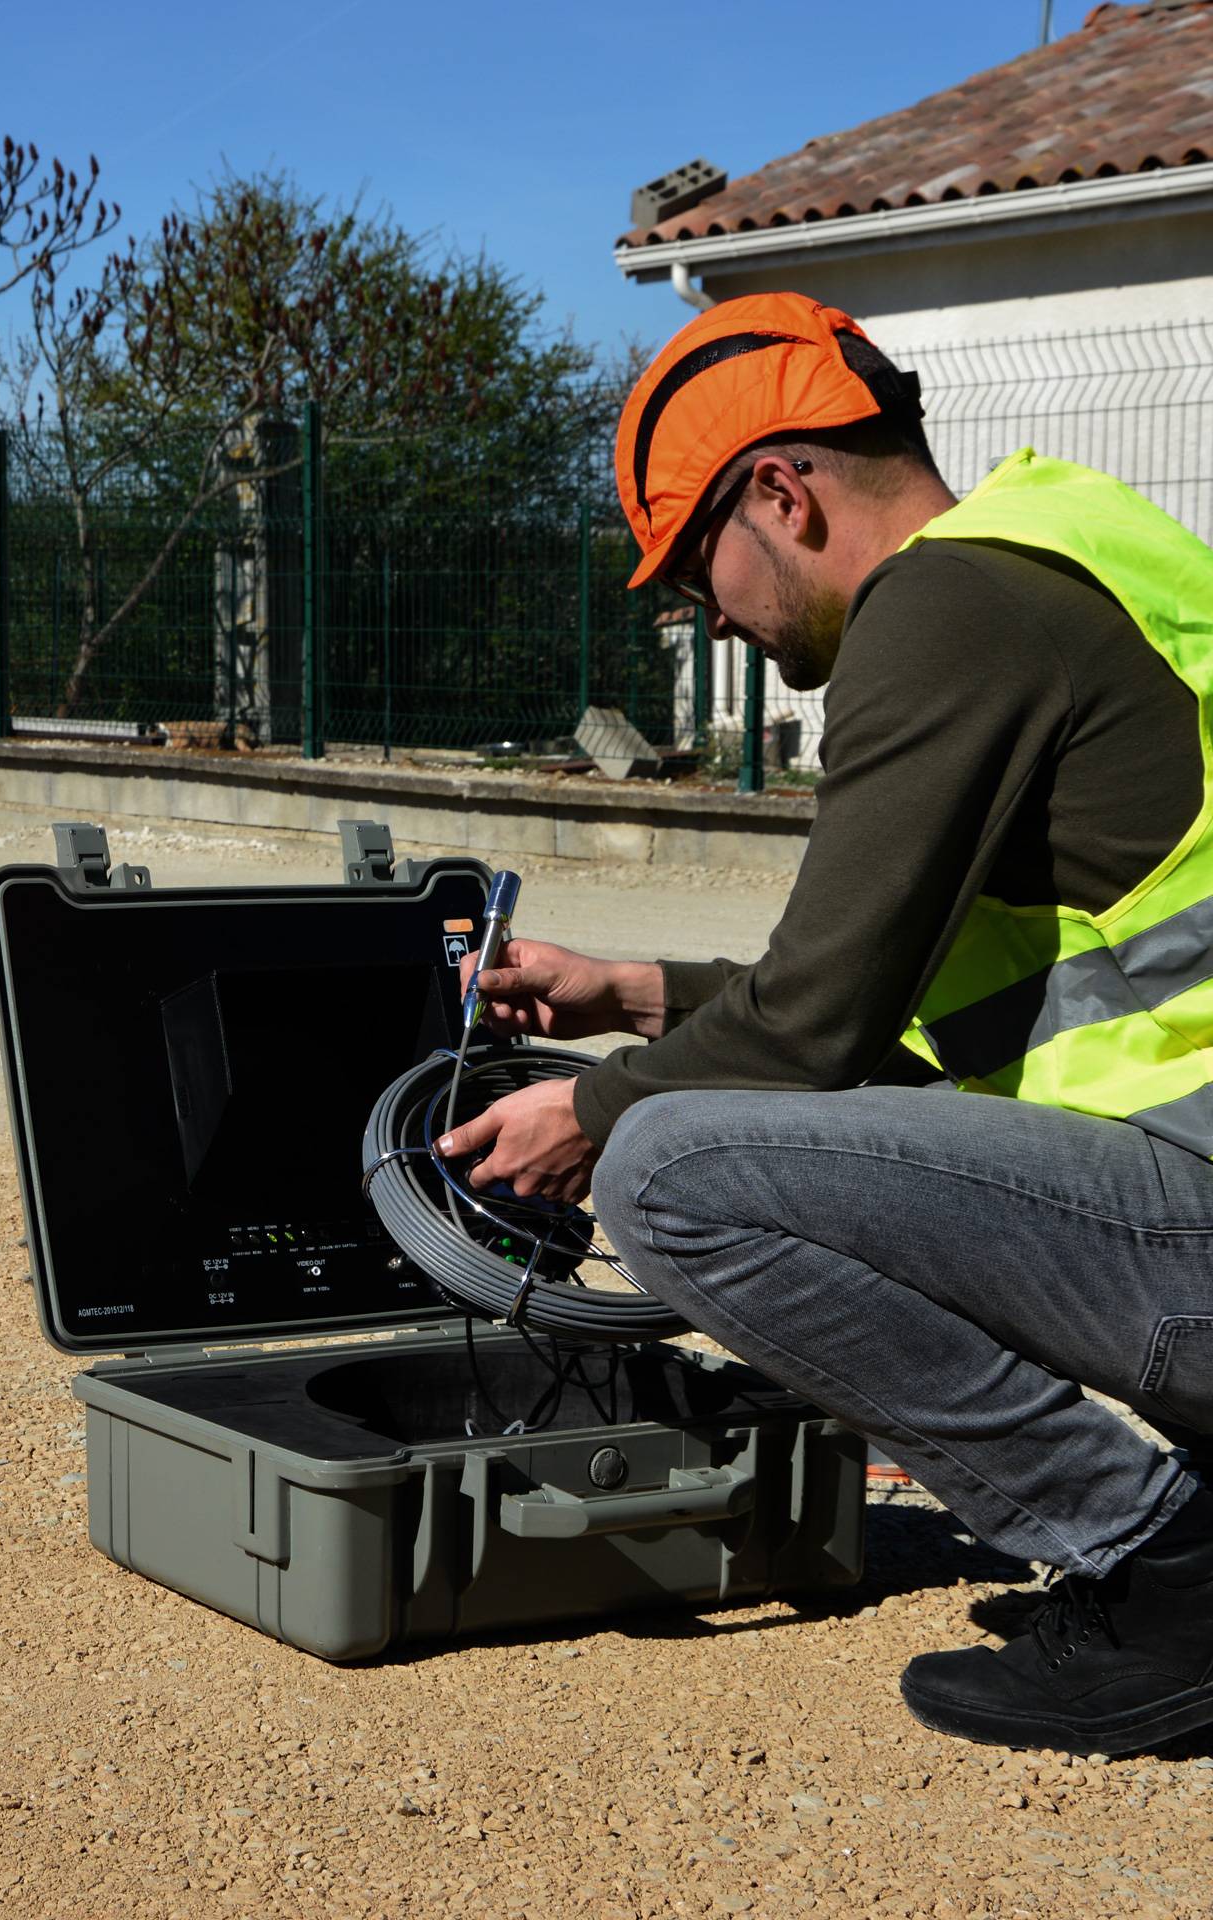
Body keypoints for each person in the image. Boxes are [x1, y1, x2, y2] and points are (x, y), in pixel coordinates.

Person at [438, 291, 1213, 1757]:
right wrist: (633, 992)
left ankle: (1166, 1565)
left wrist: (590, 1110)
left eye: (697, 573)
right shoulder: (1061, 551)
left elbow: (810, 1034)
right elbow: (888, 1013)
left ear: (782, 495)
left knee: (669, 1174)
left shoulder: (944, 608)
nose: (709, 617)